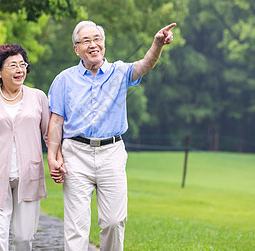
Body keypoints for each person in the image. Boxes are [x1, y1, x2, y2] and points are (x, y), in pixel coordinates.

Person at [47, 21, 176, 250]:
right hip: (76, 154)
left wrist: (157, 44)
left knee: (114, 221)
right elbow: (56, 121)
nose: (93, 44)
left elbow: (145, 64)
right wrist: (52, 156)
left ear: (104, 44)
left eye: (97, 39)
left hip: (111, 153)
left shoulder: (119, 71)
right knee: (76, 226)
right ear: (76, 49)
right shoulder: (64, 80)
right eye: (86, 41)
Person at [0, 43, 50, 251]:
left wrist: (57, 160)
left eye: (22, 64)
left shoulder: (38, 97)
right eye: (13, 65)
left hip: (29, 174)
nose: (20, 69)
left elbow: (50, 135)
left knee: (24, 239)